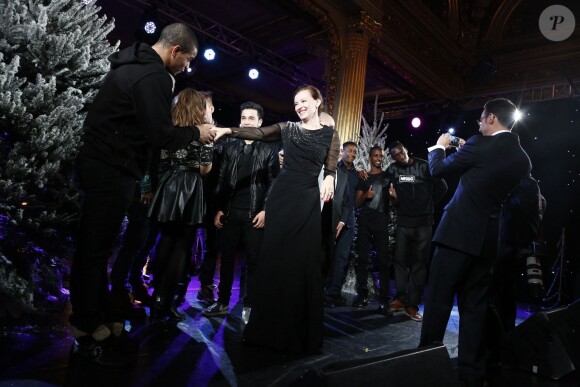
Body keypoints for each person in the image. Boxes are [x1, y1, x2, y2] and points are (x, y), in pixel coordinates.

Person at [69, 23, 213, 368]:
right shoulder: (157, 77)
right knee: (95, 249)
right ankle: (86, 327)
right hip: (111, 168)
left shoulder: (131, 66)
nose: (187, 69)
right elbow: (161, 135)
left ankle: (98, 316)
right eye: (188, 60)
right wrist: (198, 131)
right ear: (175, 51)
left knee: (98, 247)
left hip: (101, 165)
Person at [211, 85, 340, 354]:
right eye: (295, 102)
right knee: (274, 259)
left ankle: (299, 330)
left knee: (303, 261)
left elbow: (331, 166)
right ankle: (267, 328)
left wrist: (329, 177)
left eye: (304, 101)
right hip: (282, 198)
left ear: (317, 102)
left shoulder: (330, 134)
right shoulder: (287, 128)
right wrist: (228, 131)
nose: (299, 106)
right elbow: (258, 133)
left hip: (306, 201)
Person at [419, 98, 531, 387]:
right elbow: (487, 177)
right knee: (474, 310)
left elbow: (438, 170)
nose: (479, 124)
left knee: (438, 302)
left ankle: (426, 366)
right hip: (487, 241)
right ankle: (471, 373)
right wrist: (468, 152)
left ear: (491, 118)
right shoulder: (522, 158)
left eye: (481, 119)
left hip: (456, 234)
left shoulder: (478, 145)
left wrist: (439, 147)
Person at [202, 102, 279, 321]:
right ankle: (223, 302)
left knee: (254, 262)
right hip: (230, 213)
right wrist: (218, 208)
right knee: (226, 260)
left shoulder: (268, 150)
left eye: (251, 118)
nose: (246, 121)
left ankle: (249, 305)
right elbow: (222, 179)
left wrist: (265, 210)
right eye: (244, 117)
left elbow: (274, 183)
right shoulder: (230, 146)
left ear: (260, 123)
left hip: (255, 214)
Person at [147, 89, 213, 321]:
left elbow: (160, 160)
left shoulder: (170, 131)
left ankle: (156, 297)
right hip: (191, 186)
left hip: (168, 184)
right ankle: (166, 301)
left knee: (164, 240)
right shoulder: (204, 132)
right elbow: (205, 169)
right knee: (182, 248)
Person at [386, 141, 447, 321]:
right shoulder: (392, 170)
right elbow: (384, 186)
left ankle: (412, 305)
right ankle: (400, 299)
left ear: (406, 150)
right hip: (403, 222)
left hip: (423, 223)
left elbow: (443, 188)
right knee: (400, 262)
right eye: (395, 155)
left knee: (418, 264)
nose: (399, 156)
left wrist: (428, 205)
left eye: (401, 152)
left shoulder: (424, 166)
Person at [353, 146, 393, 308]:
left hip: (381, 221)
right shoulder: (364, 177)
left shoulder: (388, 177)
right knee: (362, 259)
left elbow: (395, 199)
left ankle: (383, 298)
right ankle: (362, 295)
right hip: (365, 221)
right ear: (370, 158)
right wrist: (365, 195)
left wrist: (395, 197)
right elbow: (356, 203)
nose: (378, 158)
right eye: (375, 155)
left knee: (383, 260)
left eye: (380, 156)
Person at [325, 142, 359, 306]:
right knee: (326, 256)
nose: (352, 153)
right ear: (342, 152)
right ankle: (320, 291)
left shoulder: (357, 174)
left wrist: (345, 220)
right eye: (349, 150)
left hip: (348, 221)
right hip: (332, 219)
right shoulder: (334, 169)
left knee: (341, 259)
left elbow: (352, 200)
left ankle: (333, 293)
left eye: (354, 151)